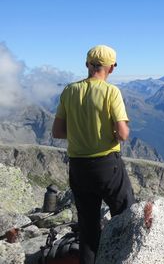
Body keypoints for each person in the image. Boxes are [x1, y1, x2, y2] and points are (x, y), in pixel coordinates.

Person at [52, 45, 135, 264]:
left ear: (87, 64)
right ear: (112, 68)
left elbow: (57, 132)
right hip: (107, 166)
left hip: (78, 168)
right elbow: (124, 134)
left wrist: (81, 133)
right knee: (126, 215)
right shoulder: (111, 92)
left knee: (88, 227)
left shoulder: (69, 91)